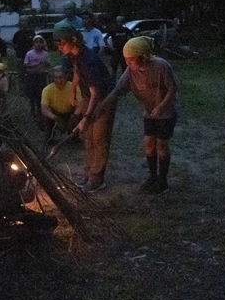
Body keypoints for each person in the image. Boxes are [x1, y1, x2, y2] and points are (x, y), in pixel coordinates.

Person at [97, 36, 179, 194]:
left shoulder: (161, 66)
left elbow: (172, 88)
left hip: (166, 112)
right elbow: (118, 90)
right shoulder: (131, 71)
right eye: (126, 60)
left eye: (131, 60)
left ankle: (163, 181)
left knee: (161, 145)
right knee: (148, 143)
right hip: (149, 111)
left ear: (142, 57)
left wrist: (161, 107)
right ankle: (152, 176)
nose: (127, 63)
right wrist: (102, 106)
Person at [53, 22, 116, 193]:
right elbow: (77, 72)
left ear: (73, 40)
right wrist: (73, 90)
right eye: (57, 43)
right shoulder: (75, 55)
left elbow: (96, 92)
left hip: (104, 98)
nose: (60, 46)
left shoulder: (88, 59)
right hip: (90, 96)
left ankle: (97, 179)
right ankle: (88, 173)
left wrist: (86, 118)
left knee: (98, 139)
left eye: (62, 43)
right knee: (88, 138)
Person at [41, 66, 82, 145]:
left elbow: (80, 104)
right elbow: (44, 109)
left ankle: (74, 136)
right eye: (56, 78)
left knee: (80, 115)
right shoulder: (47, 89)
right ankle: (50, 136)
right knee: (46, 116)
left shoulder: (74, 87)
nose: (58, 80)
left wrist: (75, 116)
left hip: (70, 112)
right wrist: (55, 118)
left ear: (66, 77)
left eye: (61, 77)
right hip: (55, 113)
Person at [24, 35, 50, 121]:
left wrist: (43, 67)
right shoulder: (29, 54)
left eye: (40, 42)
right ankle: (32, 109)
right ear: (34, 43)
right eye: (36, 42)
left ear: (43, 43)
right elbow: (26, 65)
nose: (38, 44)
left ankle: (40, 111)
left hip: (41, 77)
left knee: (40, 94)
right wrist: (34, 66)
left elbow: (48, 65)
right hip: (31, 76)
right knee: (32, 94)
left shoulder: (45, 54)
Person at [12, 17, 35, 94]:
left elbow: (35, 44)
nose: (24, 23)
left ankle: (30, 89)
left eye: (25, 21)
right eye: (22, 21)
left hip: (31, 58)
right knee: (21, 75)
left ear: (27, 22)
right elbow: (14, 45)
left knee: (30, 74)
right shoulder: (17, 34)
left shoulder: (32, 33)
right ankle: (22, 90)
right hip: (20, 57)